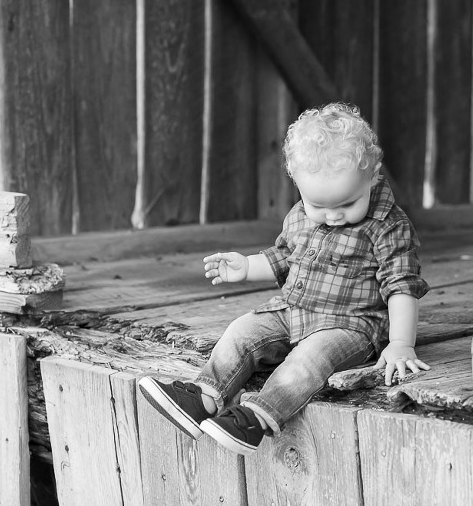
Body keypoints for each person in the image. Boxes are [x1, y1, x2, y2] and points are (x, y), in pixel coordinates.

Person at [138, 102, 430, 455]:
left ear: (374, 176)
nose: (333, 216)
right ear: (298, 184)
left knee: (309, 359)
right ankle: (203, 397)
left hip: (350, 325)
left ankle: (254, 419)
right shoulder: (299, 216)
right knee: (241, 331)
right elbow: (285, 256)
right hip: (292, 309)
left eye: (347, 204)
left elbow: (401, 286)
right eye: (319, 206)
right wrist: (247, 267)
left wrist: (401, 342)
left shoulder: (388, 227)